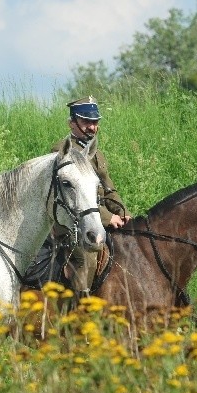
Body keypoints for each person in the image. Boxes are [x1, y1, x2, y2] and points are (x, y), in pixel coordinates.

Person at [50, 95, 130, 295]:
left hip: (94, 218)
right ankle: (79, 309)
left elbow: (109, 189)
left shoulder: (97, 154)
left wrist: (122, 212)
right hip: (72, 223)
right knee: (87, 256)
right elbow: (73, 198)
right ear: (72, 123)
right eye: (86, 122)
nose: (92, 127)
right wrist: (106, 217)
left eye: (95, 122)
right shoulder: (63, 151)